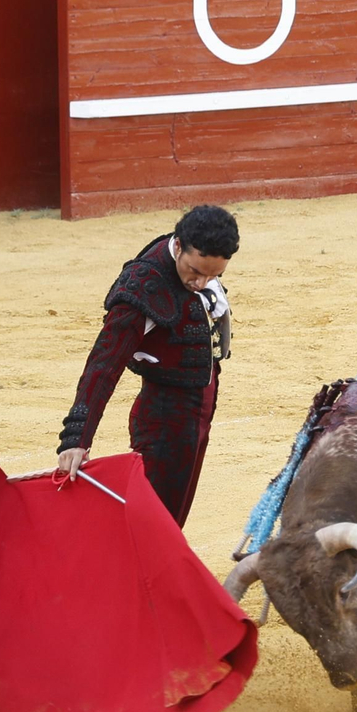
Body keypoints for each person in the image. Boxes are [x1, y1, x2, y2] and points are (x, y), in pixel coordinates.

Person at [55, 205, 238, 528]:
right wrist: (76, 438)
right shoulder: (142, 291)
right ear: (178, 246)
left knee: (170, 515)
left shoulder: (192, 253)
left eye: (214, 275)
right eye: (195, 271)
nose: (202, 283)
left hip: (197, 408)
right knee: (157, 522)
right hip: (167, 418)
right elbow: (103, 364)